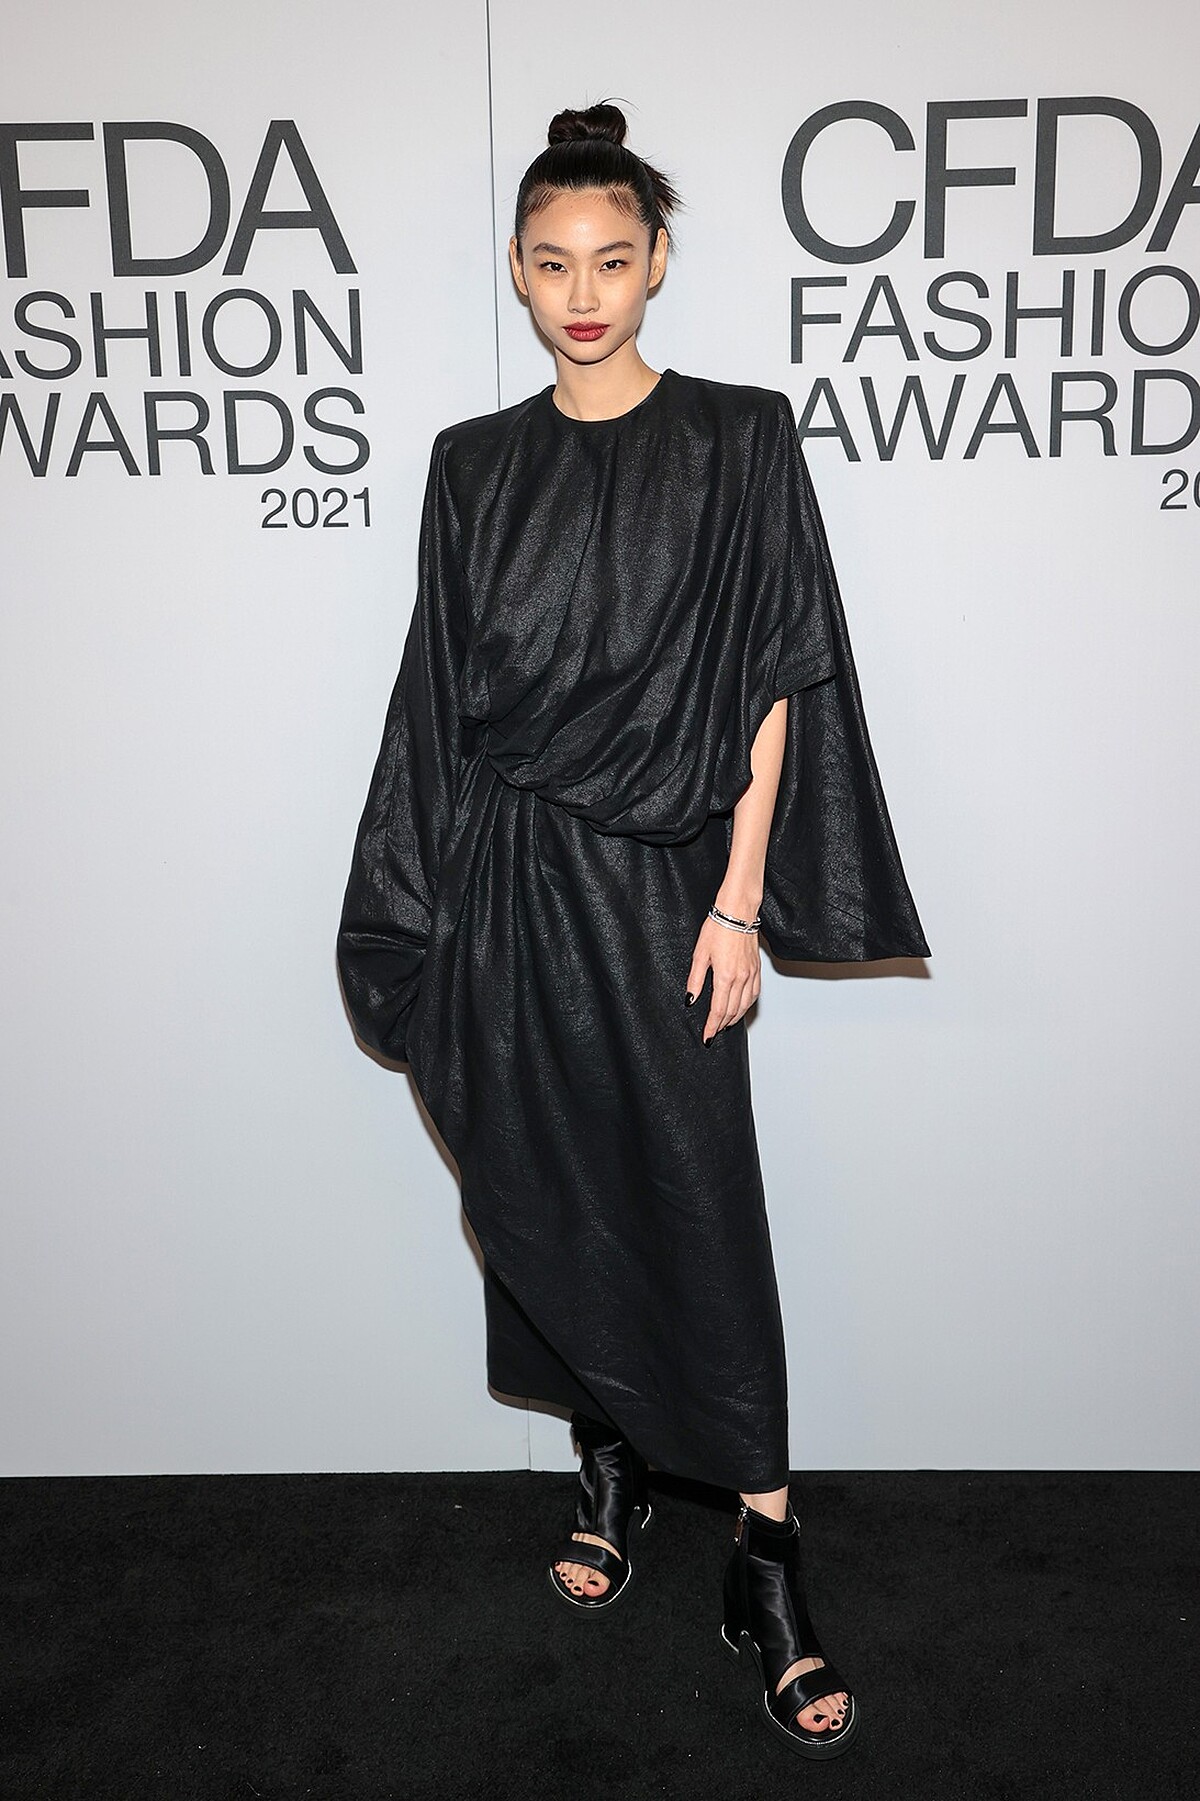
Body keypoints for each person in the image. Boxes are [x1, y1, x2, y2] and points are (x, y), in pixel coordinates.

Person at [337, 101, 929, 1760]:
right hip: (510, 881)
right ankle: (609, 1462)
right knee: (542, 1169)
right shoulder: (471, 463)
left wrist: (742, 899)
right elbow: (435, 702)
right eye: (553, 264)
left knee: (697, 1201)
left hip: (668, 887)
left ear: (659, 260)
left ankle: (767, 1551)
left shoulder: (741, 439)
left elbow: (778, 679)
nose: (583, 292)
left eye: (612, 258)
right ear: (517, 273)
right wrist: (424, 907)